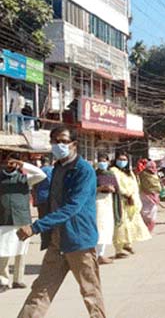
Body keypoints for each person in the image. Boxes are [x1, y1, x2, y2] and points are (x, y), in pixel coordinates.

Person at [15, 126, 106, 317]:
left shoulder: (84, 171)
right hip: (57, 241)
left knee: (91, 293)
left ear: (74, 144)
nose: (59, 145)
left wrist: (35, 227)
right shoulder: (57, 168)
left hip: (79, 240)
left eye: (64, 141)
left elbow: (72, 207)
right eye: (55, 141)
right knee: (40, 291)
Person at [0, 153, 46, 292]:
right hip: (4, 218)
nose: (10, 164)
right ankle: (3, 280)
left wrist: (22, 164)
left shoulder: (25, 179)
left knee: (21, 251)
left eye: (13, 162)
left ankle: (18, 280)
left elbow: (41, 174)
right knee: (4, 250)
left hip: (22, 218)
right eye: (8, 161)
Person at [111, 151, 151, 258]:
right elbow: (117, 185)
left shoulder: (129, 172)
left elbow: (135, 185)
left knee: (131, 223)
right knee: (120, 225)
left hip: (131, 202)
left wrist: (134, 197)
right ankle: (119, 249)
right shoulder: (113, 171)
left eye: (124, 160)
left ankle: (127, 244)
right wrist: (126, 194)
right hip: (120, 200)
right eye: (120, 159)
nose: (122, 162)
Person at [94, 154, 118, 265]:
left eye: (104, 161)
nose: (102, 163)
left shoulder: (111, 174)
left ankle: (101, 254)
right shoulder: (94, 174)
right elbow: (89, 189)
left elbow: (117, 189)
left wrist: (112, 189)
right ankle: (97, 255)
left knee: (106, 229)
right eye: (100, 161)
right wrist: (101, 188)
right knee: (99, 228)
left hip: (108, 202)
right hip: (97, 202)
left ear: (108, 162)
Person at [138, 160, 161, 233]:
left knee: (152, 213)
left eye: (154, 167)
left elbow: (157, 186)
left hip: (153, 196)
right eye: (151, 167)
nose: (153, 168)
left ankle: (148, 230)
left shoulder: (155, 174)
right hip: (145, 195)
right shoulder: (142, 175)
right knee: (144, 213)